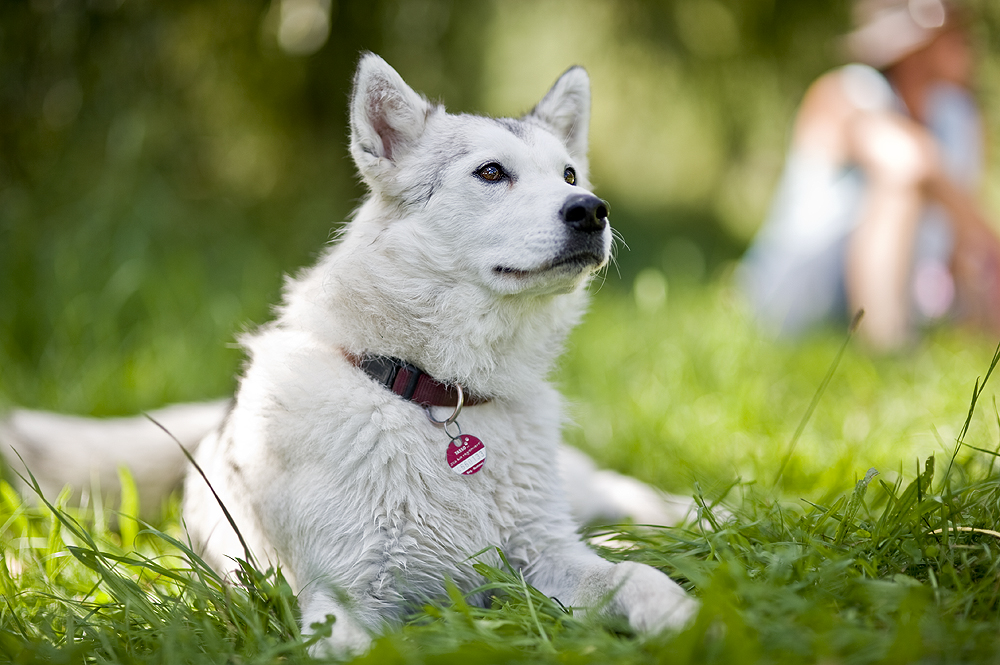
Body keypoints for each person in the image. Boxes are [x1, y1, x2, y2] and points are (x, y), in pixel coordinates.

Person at [740, 0, 1000, 350]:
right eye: (953, 26)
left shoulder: (956, 117)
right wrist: (979, 226)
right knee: (899, 189)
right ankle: (887, 353)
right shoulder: (847, 92)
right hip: (796, 307)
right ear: (918, 42)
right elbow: (907, 162)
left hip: (895, 295)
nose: (968, 37)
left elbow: (959, 249)